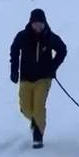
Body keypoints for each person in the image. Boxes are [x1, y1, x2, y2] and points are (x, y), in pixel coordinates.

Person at [10, 8, 67, 148]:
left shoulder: (49, 37)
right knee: (25, 108)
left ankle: (38, 136)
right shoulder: (22, 36)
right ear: (31, 23)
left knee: (38, 107)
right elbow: (14, 51)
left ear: (44, 22)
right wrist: (14, 71)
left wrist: (53, 66)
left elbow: (62, 50)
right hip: (26, 77)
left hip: (44, 78)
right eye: (36, 23)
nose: (38, 26)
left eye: (41, 23)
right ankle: (36, 121)